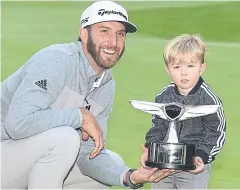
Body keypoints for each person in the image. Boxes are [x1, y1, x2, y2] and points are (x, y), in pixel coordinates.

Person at [1, 1, 174, 189]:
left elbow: (88, 154)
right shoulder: (56, 60)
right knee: (65, 138)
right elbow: (17, 124)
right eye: (104, 31)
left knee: (112, 163)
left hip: (26, 162)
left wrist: (130, 176)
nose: (113, 42)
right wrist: (79, 116)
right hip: (5, 153)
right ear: (84, 34)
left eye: (120, 34)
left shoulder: (105, 85)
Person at [141, 34, 226, 189]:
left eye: (190, 66)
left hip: (193, 166)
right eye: (177, 67)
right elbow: (157, 127)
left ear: (202, 68)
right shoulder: (163, 96)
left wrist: (201, 155)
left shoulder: (208, 99)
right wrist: (150, 148)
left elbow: (216, 132)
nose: (184, 73)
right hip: (164, 162)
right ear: (168, 70)